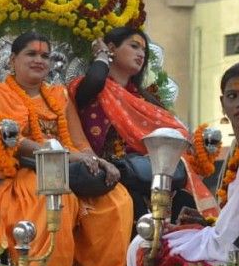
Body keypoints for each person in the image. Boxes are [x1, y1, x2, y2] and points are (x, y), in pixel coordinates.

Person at [0, 31, 133, 266]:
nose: (39, 60)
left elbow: (79, 142)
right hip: (19, 176)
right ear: (13, 60)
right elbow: (13, 140)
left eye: (45, 56)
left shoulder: (59, 96)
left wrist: (98, 162)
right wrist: (60, 154)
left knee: (118, 199)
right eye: (31, 54)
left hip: (66, 170)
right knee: (58, 196)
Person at [127, 63, 239, 266]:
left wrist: (199, 232)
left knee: (144, 245)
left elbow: (234, 236)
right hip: (234, 242)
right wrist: (203, 224)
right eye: (232, 96)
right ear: (222, 104)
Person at [70, 27, 213, 225]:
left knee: (185, 203)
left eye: (144, 51)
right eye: (134, 46)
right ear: (112, 48)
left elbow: (174, 133)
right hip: (108, 178)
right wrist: (101, 53)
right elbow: (96, 79)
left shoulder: (145, 100)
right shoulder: (90, 89)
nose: (141, 54)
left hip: (152, 177)